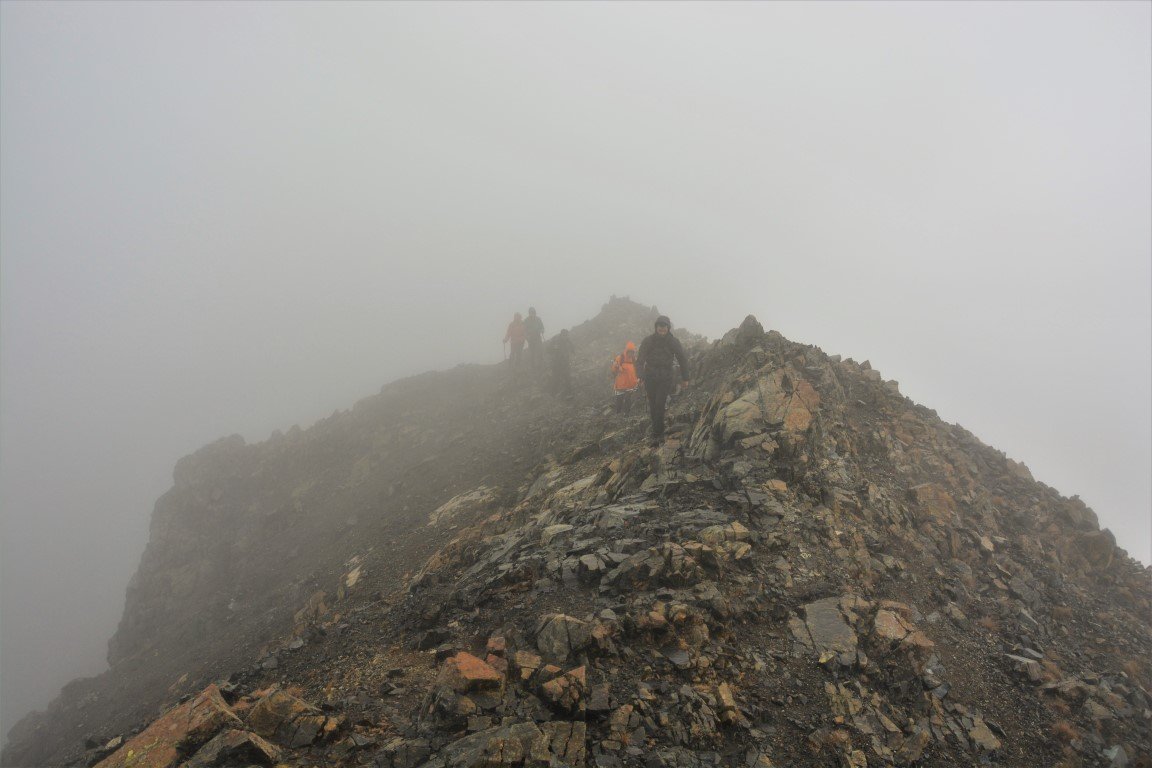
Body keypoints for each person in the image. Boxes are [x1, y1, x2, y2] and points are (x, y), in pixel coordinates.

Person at [636, 315, 689, 444]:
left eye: (664, 326)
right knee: (653, 404)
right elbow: (640, 360)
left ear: (668, 327)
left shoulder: (673, 341)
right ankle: (657, 429)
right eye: (660, 325)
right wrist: (640, 376)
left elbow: (682, 359)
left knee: (660, 403)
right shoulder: (648, 341)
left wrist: (685, 378)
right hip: (650, 376)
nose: (662, 328)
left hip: (666, 376)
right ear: (656, 327)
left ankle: (658, 433)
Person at [611, 341, 639, 415]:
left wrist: (639, 380)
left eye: (633, 352)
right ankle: (618, 414)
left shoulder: (634, 359)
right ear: (627, 351)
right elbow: (613, 370)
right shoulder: (620, 358)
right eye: (630, 352)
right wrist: (616, 367)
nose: (631, 354)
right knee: (619, 400)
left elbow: (637, 370)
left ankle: (626, 414)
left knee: (628, 400)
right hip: (621, 384)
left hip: (631, 384)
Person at [549, 328, 575, 398]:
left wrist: (573, 351)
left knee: (567, 376)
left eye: (567, 336)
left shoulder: (566, 339)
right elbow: (548, 350)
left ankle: (569, 392)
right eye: (565, 336)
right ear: (562, 335)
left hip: (565, 361)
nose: (566, 337)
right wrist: (554, 348)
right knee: (556, 378)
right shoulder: (556, 341)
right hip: (556, 362)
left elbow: (571, 345)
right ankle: (553, 393)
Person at [524, 307, 545, 373]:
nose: (532, 314)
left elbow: (542, 327)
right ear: (529, 313)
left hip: (537, 337)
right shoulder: (526, 320)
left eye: (533, 312)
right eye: (531, 313)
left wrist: (542, 330)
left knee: (540, 351)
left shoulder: (538, 319)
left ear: (535, 313)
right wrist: (527, 337)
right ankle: (533, 366)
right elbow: (524, 331)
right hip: (531, 339)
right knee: (532, 352)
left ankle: (540, 364)